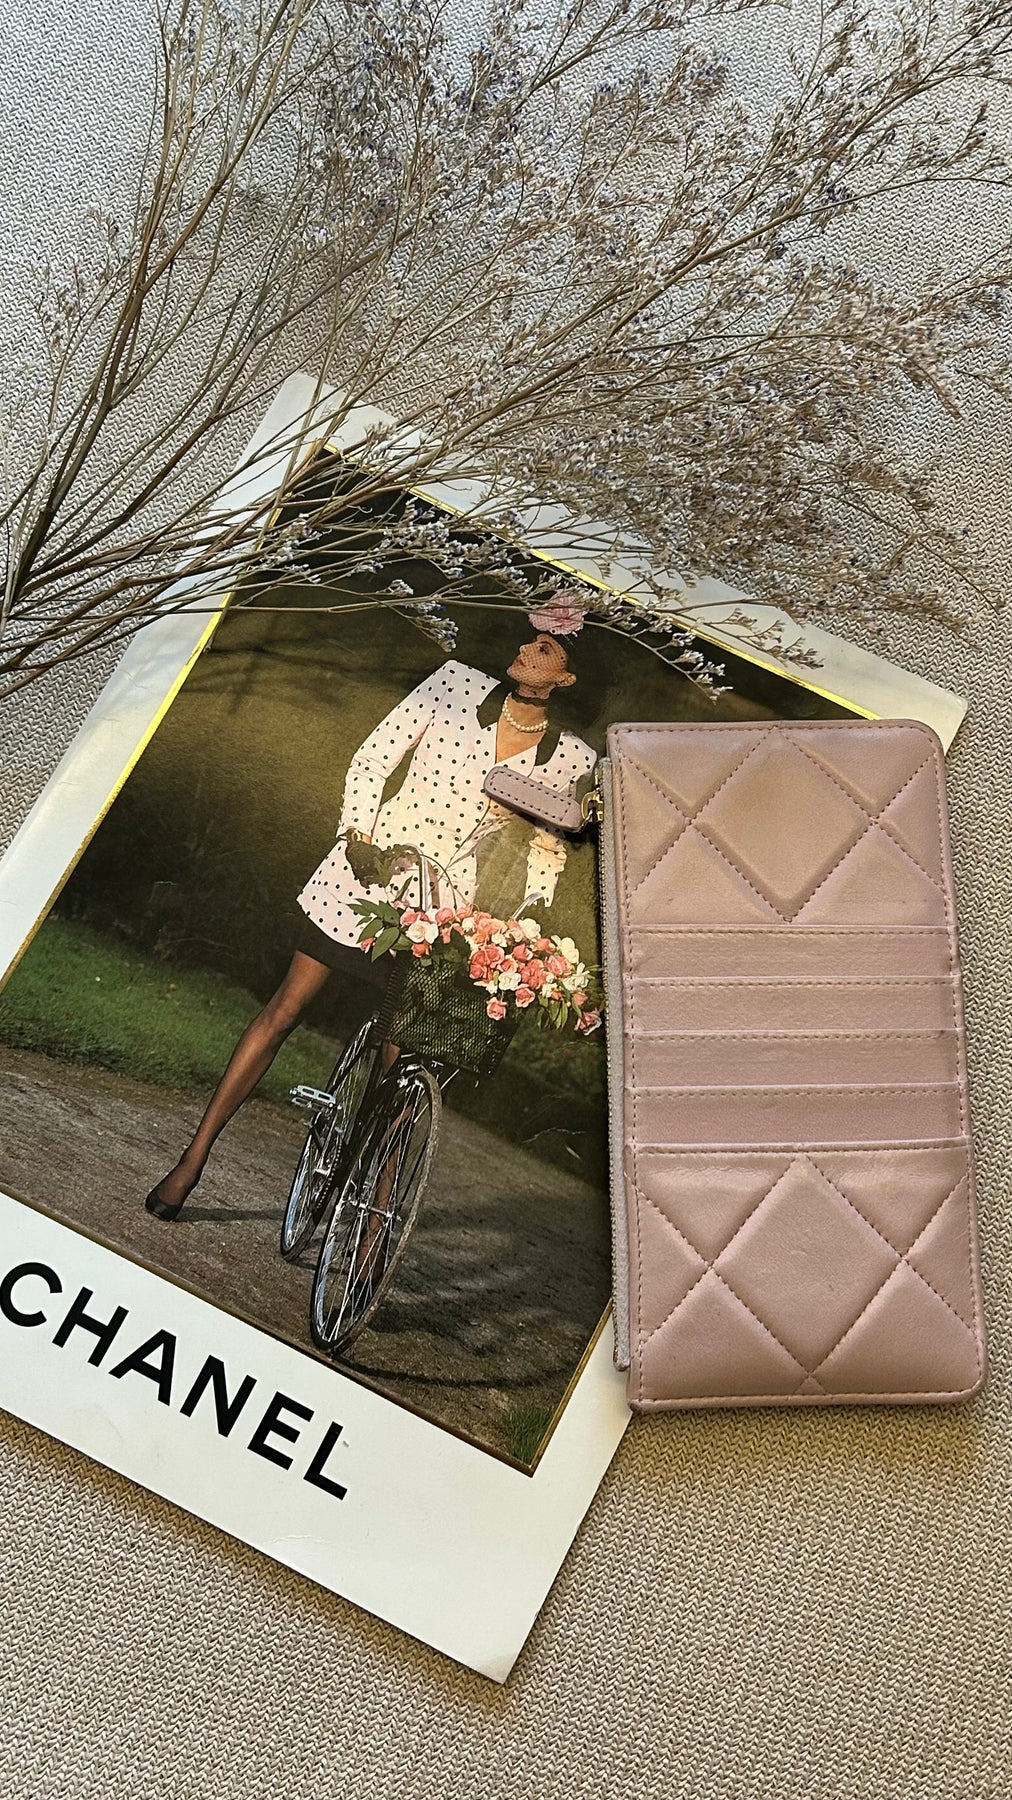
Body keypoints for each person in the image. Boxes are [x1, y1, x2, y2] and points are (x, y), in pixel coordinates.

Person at [144, 628, 595, 1220]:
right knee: (285, 1009)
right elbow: (372, 759)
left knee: (400, 1058)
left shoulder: (572, 758)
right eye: (530, 636)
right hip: (368, 872)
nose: (529, 648)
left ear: (567, 678)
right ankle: (193, 1157)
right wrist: (357, 836)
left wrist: (534, 906)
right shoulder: (455, 684)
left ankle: (374, 1212)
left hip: (443, 912)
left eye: (549, 648)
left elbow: (548, 846)